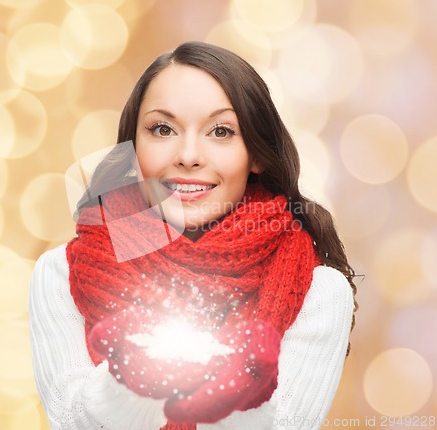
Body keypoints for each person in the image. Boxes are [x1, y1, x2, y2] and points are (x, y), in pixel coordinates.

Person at [29, 42, 357, 430]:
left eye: (221, 131)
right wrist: (133, 377)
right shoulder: (61, 274)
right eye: (162, 129)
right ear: (133, 148)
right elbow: (71, 422)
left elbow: (285, 425)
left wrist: (238, 383)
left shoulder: (318, 292)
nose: (188, 155)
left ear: (257, 155)